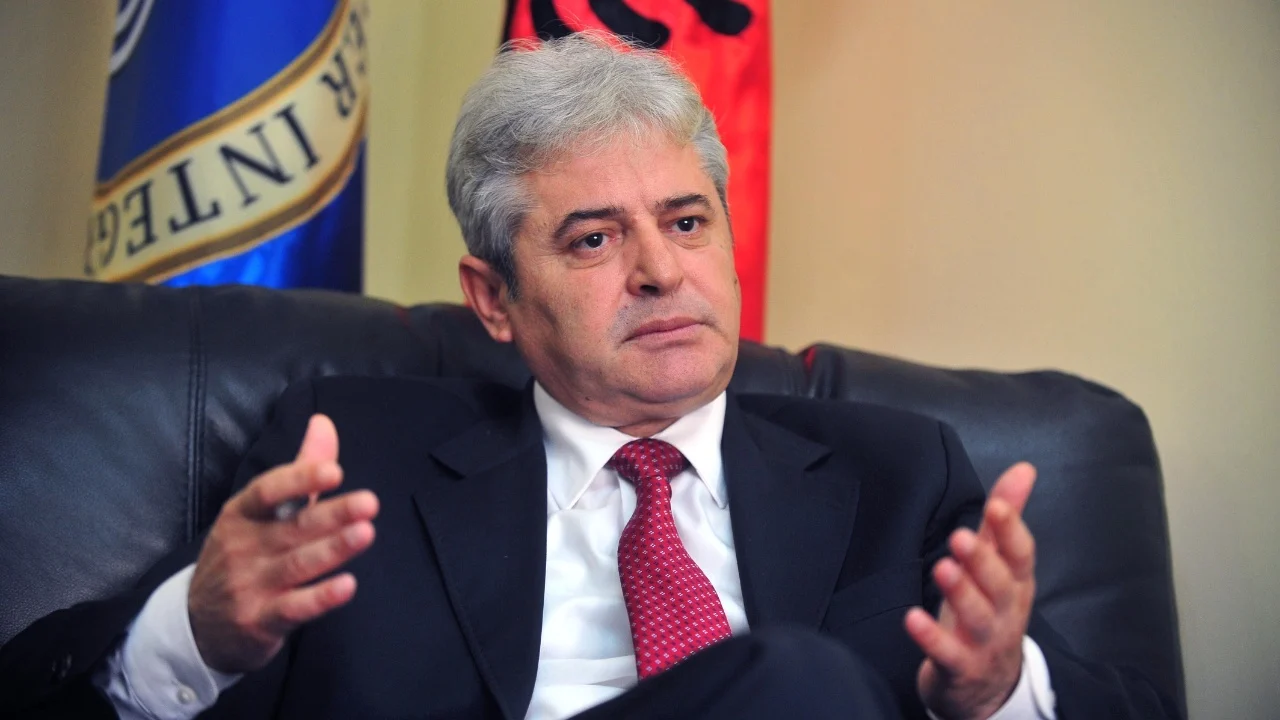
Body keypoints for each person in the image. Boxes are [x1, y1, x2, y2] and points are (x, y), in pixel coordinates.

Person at [0, 34, 1176, 720]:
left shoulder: (896, 472)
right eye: (593, 238)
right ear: (492, 299)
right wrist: (196, 631)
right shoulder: (354, 456)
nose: (661, 271)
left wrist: (996, 690)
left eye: (686, 220)